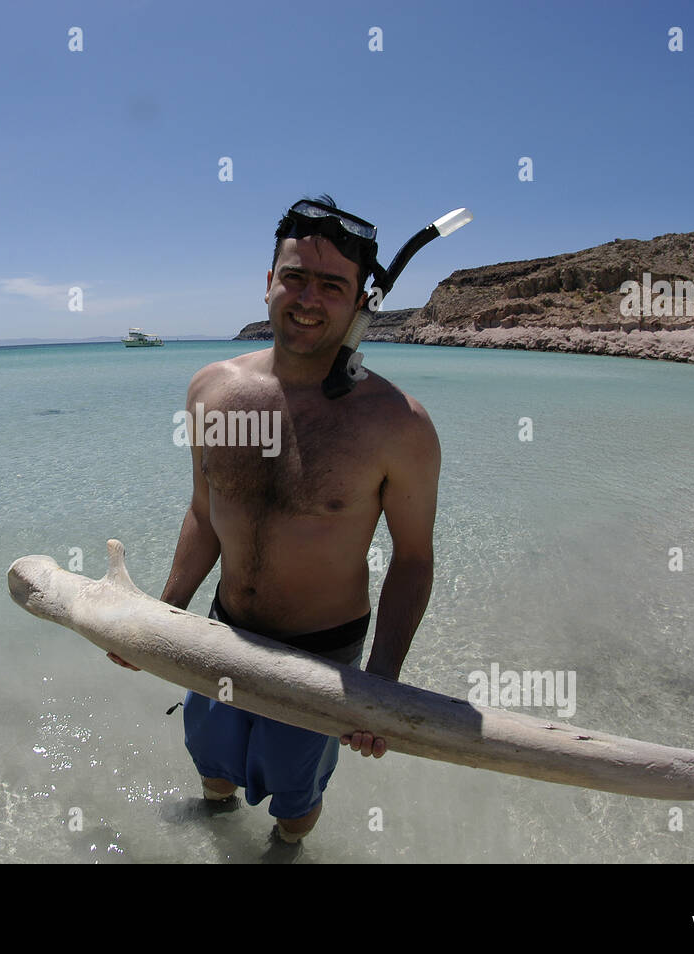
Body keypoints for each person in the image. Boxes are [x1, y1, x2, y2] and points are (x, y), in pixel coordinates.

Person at [110, 195, 440, 843]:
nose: (308, 298)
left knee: (293, 798)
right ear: (268, 284)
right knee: (210, 760)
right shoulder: (212, 390)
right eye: (295, 276)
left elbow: (413, 558)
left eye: (331, 285)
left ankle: (284, 851)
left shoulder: (398, 424)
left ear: (360, 302)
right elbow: (205, 515)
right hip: (220, 637)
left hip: (320, 661)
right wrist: (161, 616)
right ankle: (216, 823)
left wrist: (383, 685)